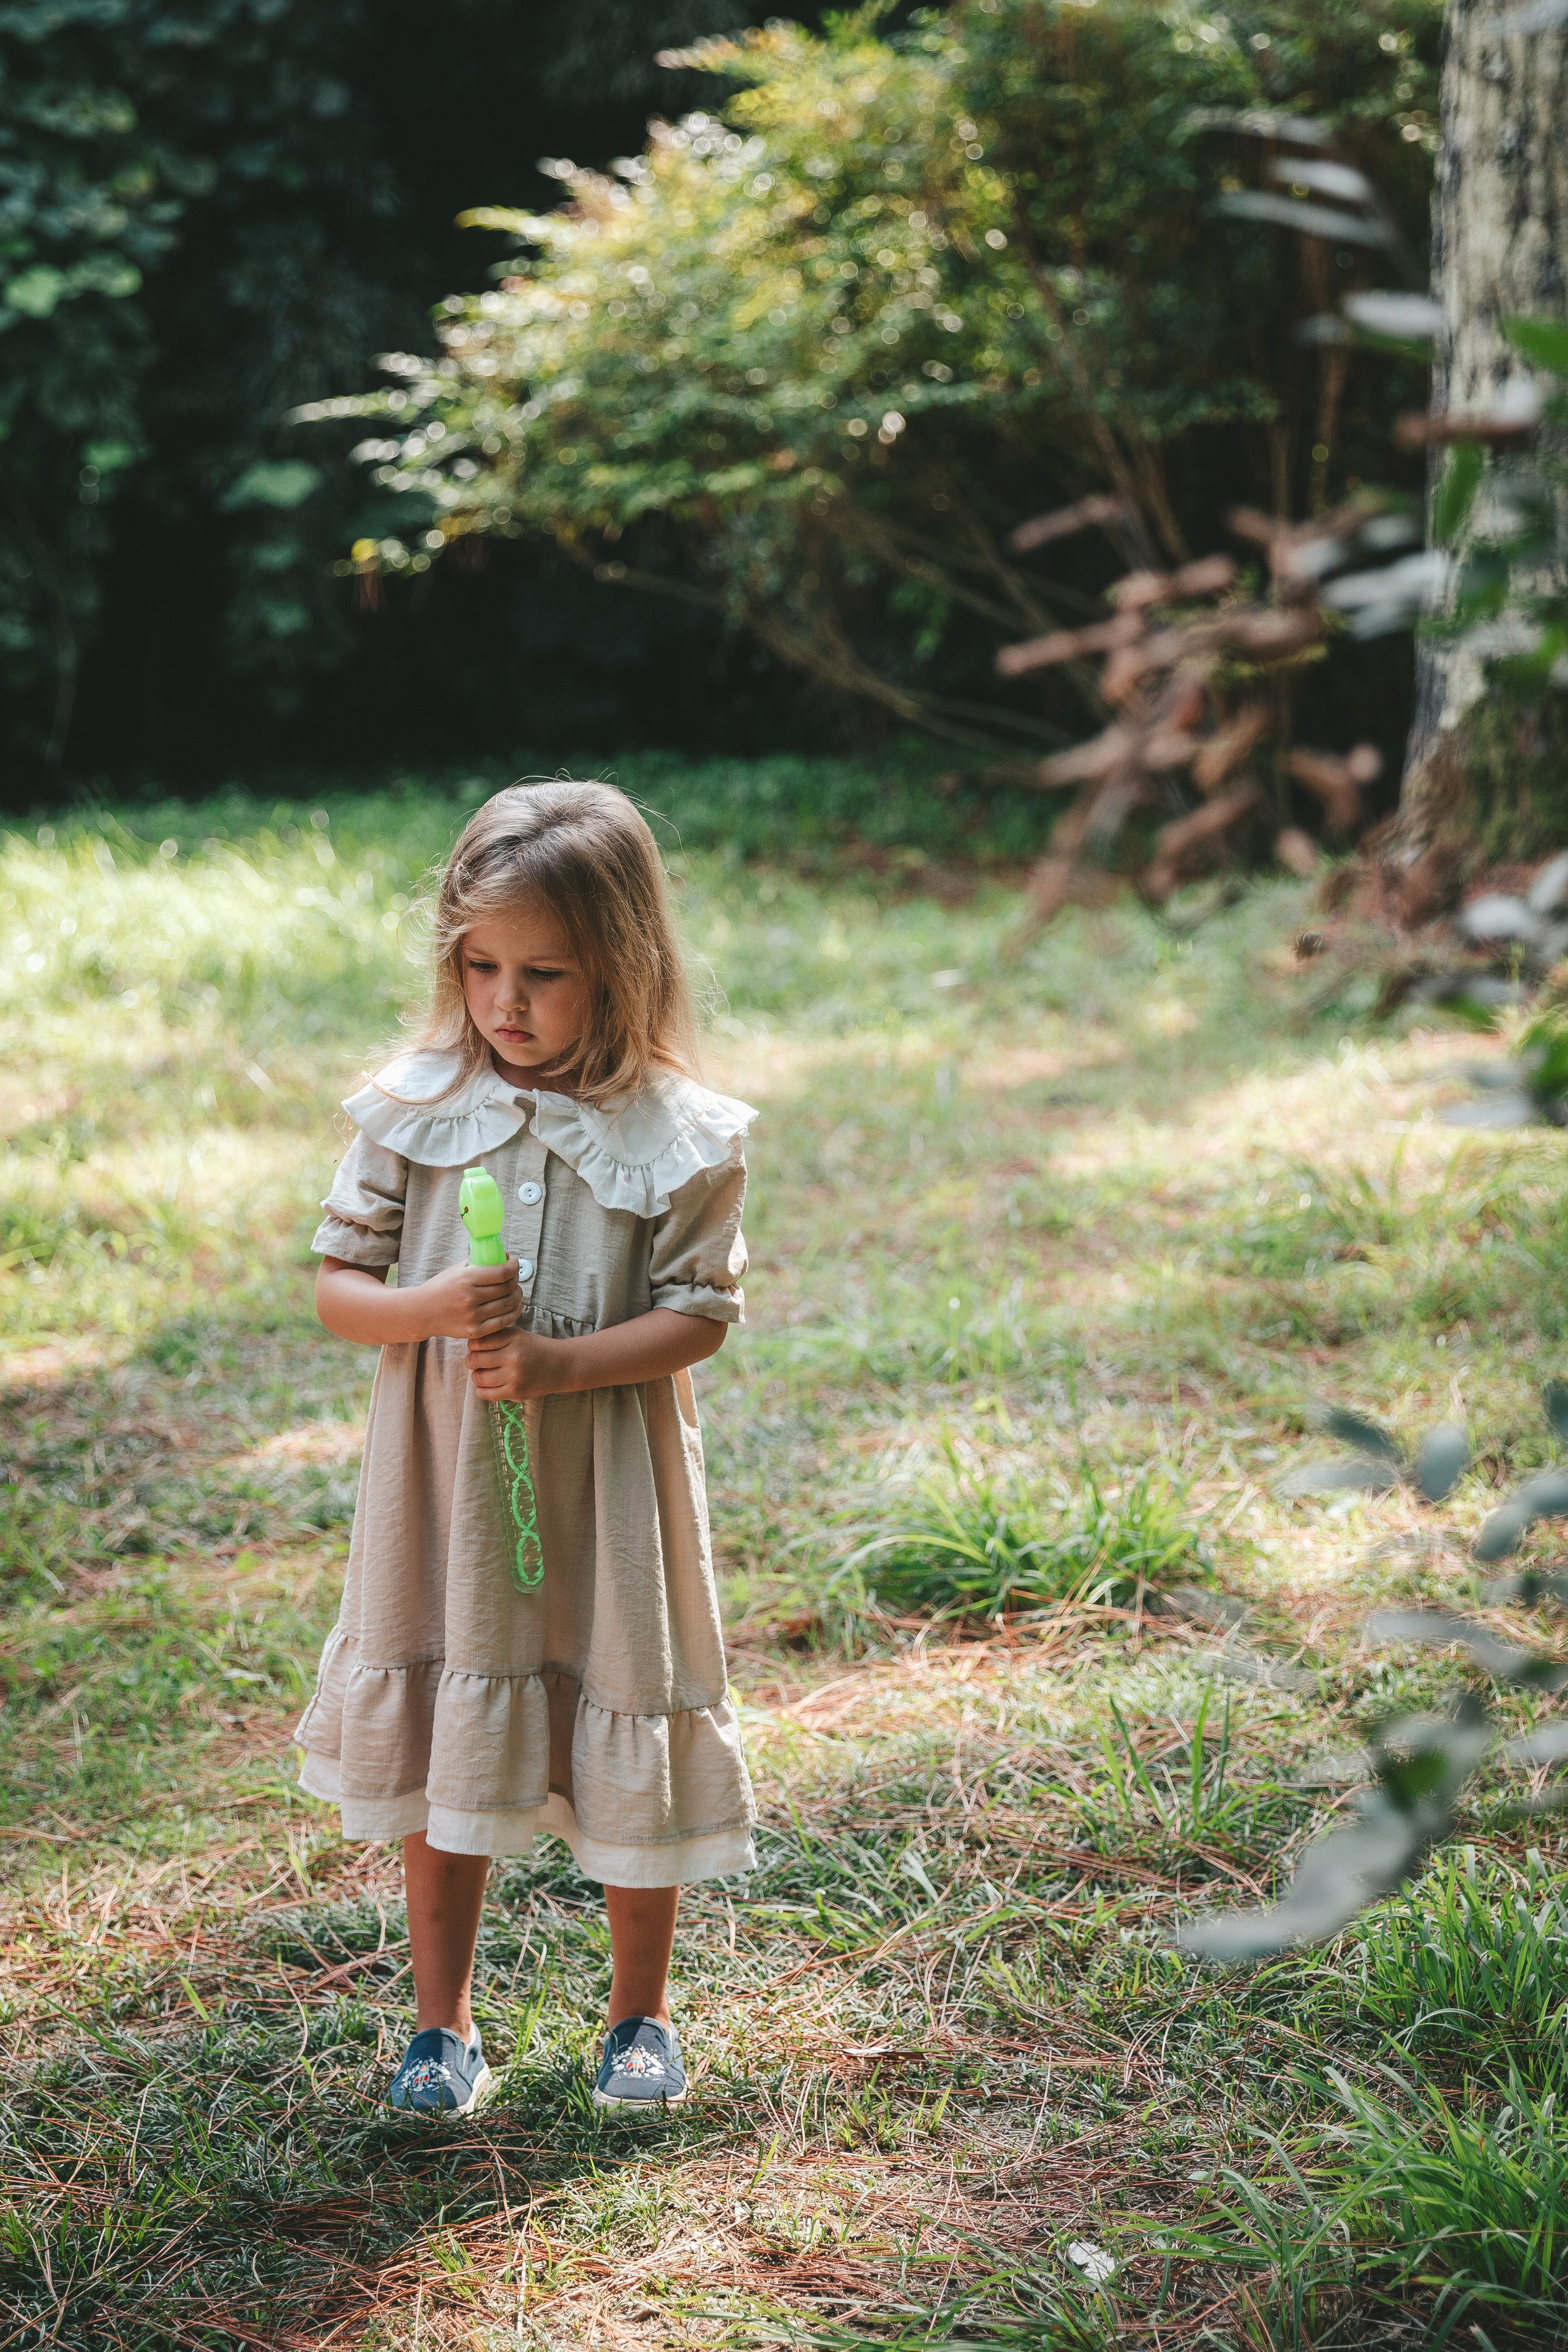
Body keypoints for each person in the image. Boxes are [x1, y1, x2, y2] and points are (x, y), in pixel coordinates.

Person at [295, 780, 756, 2115]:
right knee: (454, 1711)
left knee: (623, 1694)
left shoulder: (680, 1135)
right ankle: (441, 2025)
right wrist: (434, 1309)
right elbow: (339, 1291)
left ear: (623, 966)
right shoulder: (414, 1109)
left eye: (544, 974)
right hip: (446, 1484)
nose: (506, 1001)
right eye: (480, 966)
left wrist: (559, 1365)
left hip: (608, 1481)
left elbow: (698, 1318)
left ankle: (638, 2017)